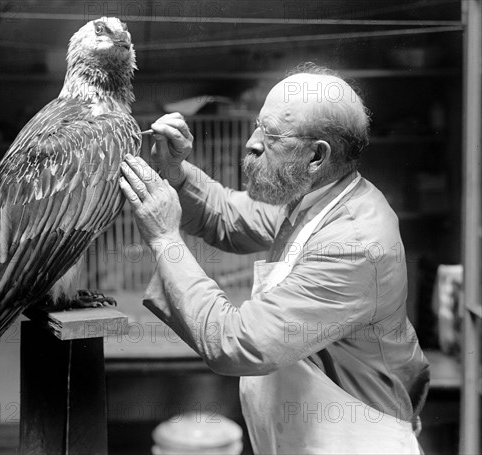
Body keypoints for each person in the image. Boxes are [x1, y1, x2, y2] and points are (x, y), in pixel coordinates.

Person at [119, 64, 429, 454]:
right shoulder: (313, 202)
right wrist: (176, 174)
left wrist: (166, 239)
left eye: (271, 136)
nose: (250, 144)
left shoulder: (352, 243)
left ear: (317, 156)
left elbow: (236, 344)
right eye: (256, 127)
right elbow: (227, 217)